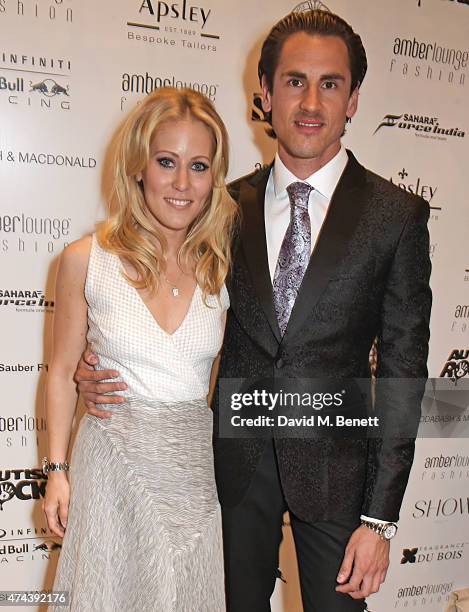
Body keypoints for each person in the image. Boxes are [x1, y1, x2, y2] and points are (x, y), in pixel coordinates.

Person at [75, 10, 432, 612]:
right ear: (264, 94)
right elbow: (163, 306)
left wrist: (381, 520)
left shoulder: (395, 217)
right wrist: (101, 365)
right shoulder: (220, 207)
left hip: (337, 475)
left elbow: (403, 375)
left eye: (330, 83)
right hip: (230, 472)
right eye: (294, 81)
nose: (311, 101)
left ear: (354, 100)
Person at [42, 87, 237, 611]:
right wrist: (56, 471)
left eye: (198, 166)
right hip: (112, 470)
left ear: (214, 177)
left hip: (192, 476)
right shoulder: (87, 259)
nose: (181, 184)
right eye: (166, 162)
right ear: (138, 168)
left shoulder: (221, 268)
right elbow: (62, 372)